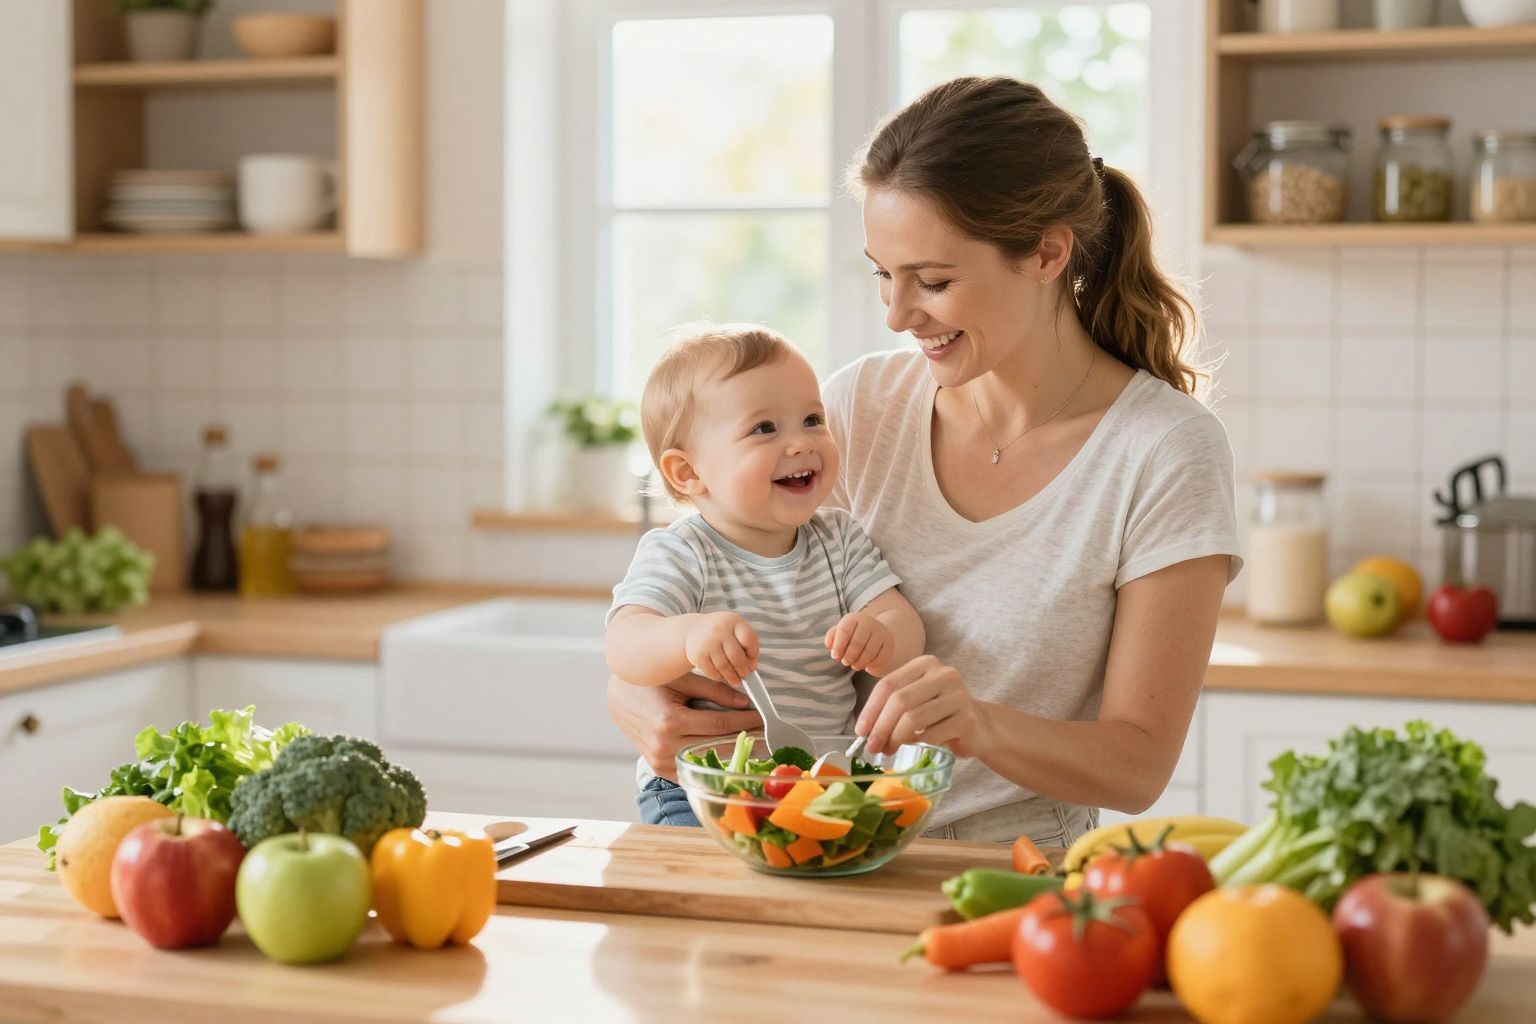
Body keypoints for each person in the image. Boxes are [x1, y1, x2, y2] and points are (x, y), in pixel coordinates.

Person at [608, 76, 1242, 846]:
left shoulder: (1164, 451)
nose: (897, 315)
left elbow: (1138, 766)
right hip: (818, 856)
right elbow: (728, 580)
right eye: (883, 273)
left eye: (933, 282)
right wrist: (636, 698)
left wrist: (979, 725)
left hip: (1006, 878)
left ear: (1046, 252)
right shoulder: (858, 407)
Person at [606, 324, 926, 827]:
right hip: (699, 792)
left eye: (812, 419)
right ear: (688, 473)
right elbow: (624, 645)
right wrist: (687, 634)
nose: (801, 443)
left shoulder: (838, 539)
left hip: (818, 787)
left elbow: (902, 625)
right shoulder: (684, 552)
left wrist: (881, 634)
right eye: (765, 429)